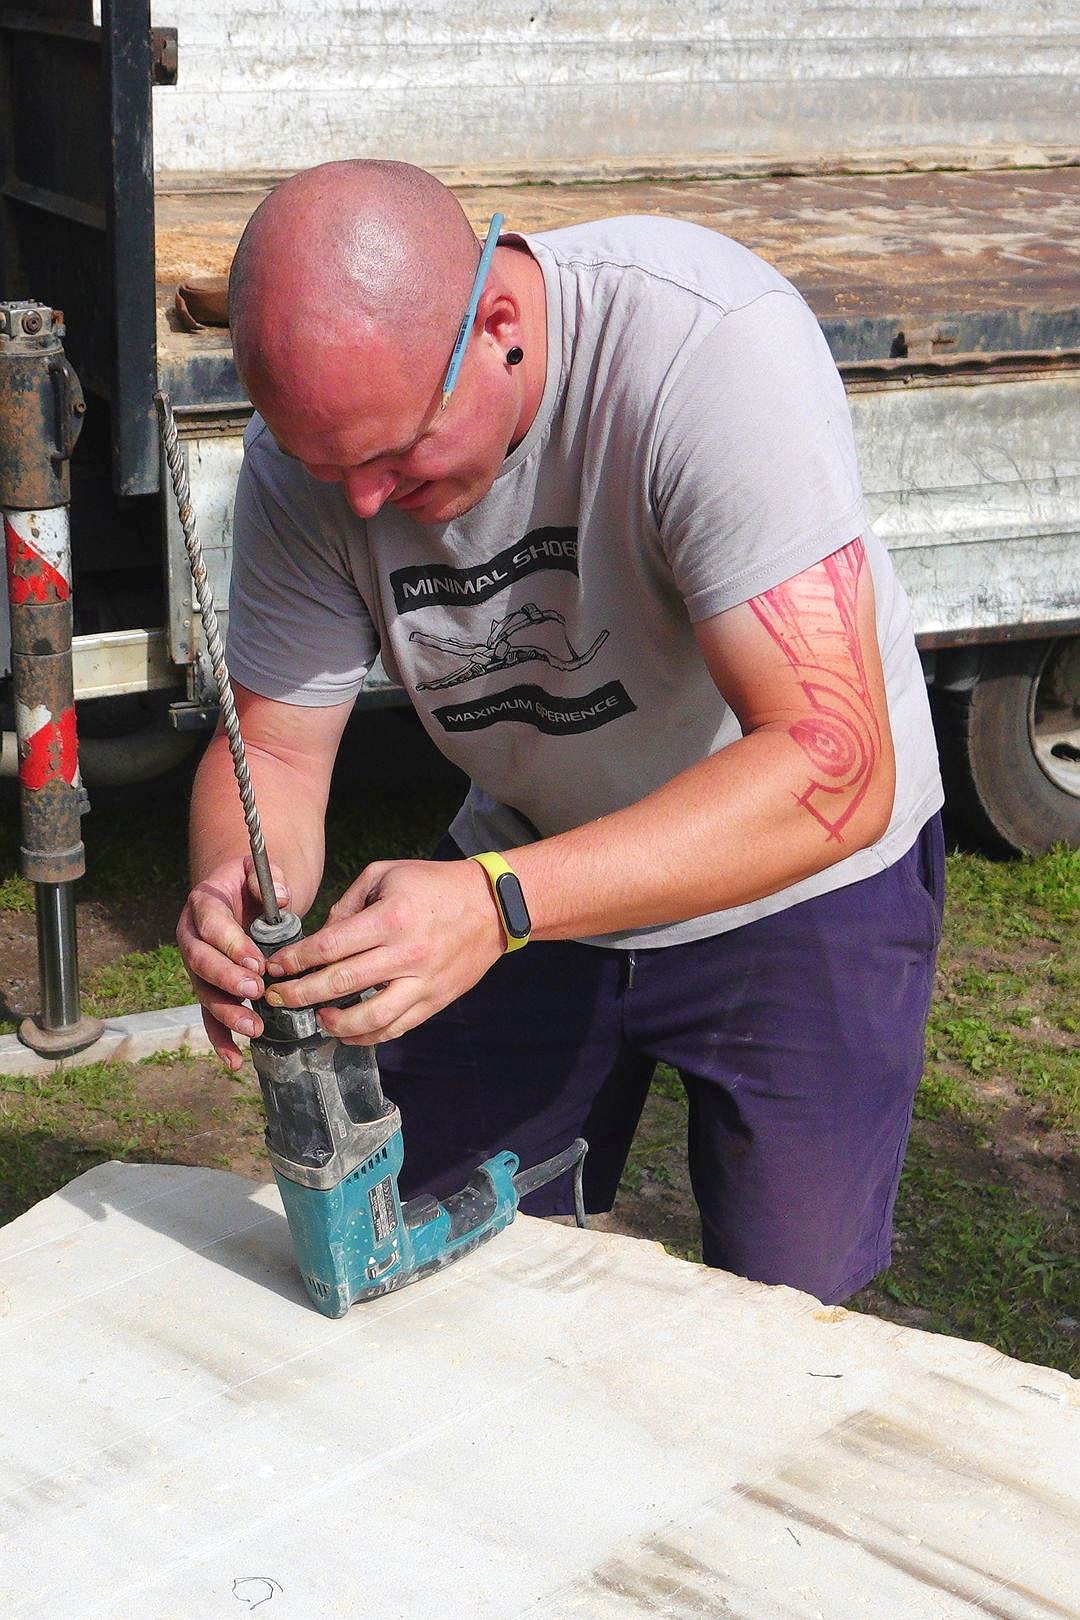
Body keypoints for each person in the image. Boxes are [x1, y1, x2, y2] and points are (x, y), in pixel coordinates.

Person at [178, 159, 944, 1305]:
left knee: (786, 1316)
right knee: (435, 1272)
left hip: (795, 873)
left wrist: (496, 905)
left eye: (394, 455)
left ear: (497, 326)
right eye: (332, 470)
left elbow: (835, 766)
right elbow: (277, 754)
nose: (367, 503)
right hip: (532, 843)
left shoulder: (704, 351)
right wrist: (239, 892)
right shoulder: (312, 459)